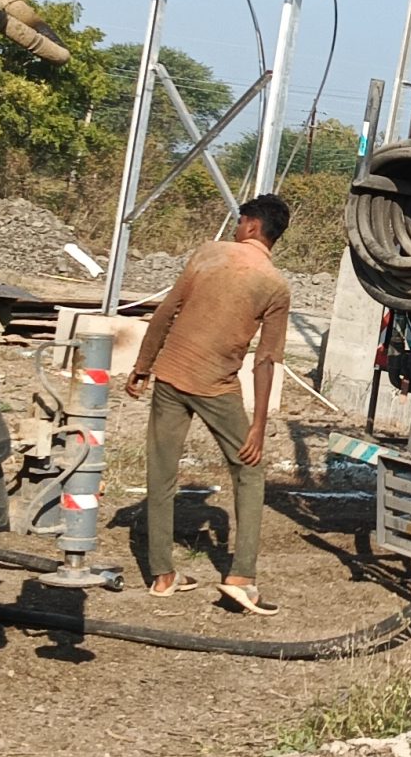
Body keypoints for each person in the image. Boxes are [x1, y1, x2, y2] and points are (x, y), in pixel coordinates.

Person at [124, 193, 293, 615]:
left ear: (252, 225)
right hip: (216, 386)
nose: (236, 229)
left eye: (240, 222)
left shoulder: (207, 254)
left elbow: (166, 312)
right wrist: (258, 425)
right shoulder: (274, 284)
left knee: (161, 473)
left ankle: (162, 575)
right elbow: (266, 360)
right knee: (249, 471)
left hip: (170, 375)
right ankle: (241, 578)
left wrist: (143, 365)